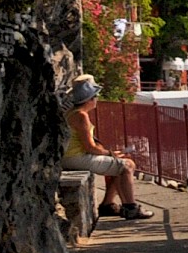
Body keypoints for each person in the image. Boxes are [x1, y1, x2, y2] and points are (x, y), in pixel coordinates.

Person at [62, 74, 147, 219]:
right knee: (127, 166)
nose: (97, 100)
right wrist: (110, 153)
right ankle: (131, 207)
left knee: (119, 164)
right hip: (76, 158)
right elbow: (90, 147)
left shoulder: (71, 113)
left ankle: (108, 204)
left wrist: (111, 154)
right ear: (89, 100)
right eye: (95, 97)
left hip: (69, 157)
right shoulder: (81, 116)